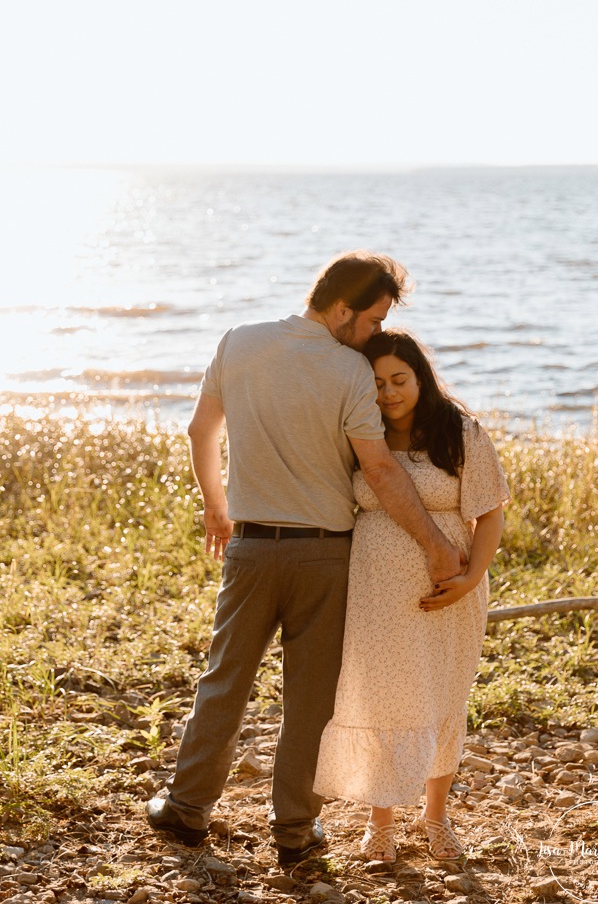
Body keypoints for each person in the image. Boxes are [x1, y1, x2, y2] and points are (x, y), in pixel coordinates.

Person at [145, 253, 462, 866]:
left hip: (251, 548)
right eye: (371, 320)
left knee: (225, 681)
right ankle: (293, 830)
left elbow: (199, 431)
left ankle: (186, 811)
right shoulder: (348, 371)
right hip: (324, 556)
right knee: (310, 697)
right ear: (341, 309)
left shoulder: (238, 342)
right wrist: (434, 541)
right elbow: (379, 468)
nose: (374, 333)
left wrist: (217, 507)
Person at [313, 329, 510, 863]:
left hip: (451, 584)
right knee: (383, 695)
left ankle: (436, 817)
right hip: (376, 586)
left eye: (400, 380)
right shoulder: (361, 431)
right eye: (375, 383)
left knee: (444, 697)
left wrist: (470, 580)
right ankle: (380, 823)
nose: (389, 393)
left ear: (421, 377)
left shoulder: (459, 431)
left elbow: (490, 512)